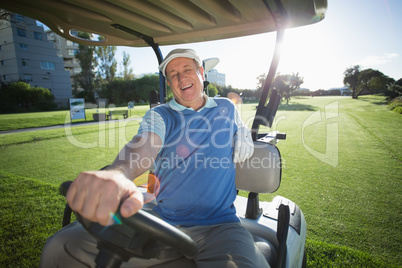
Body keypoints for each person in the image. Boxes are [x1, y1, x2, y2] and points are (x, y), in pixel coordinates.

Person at [40, 48, 270, 268]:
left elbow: (232, 113)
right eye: (174, 74)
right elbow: (143, 148)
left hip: (221, 227)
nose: (181, 78)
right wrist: (118, 175)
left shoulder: (226, 107)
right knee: (60, 247)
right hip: (165, 223)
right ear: (170, 84)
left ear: (201, 73)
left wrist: (241, 127)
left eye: (187, 70)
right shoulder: (160, 115)